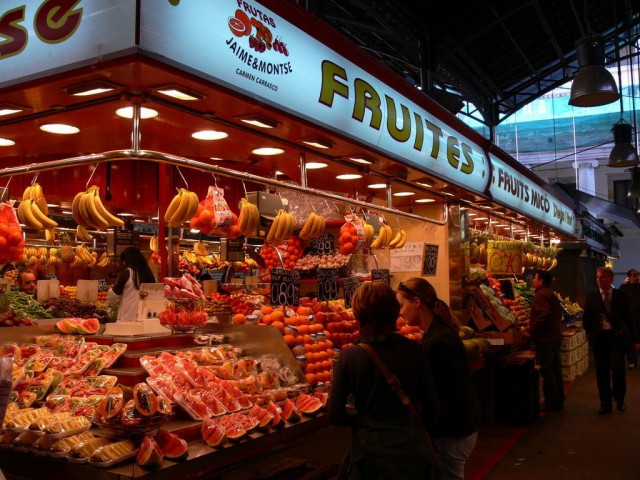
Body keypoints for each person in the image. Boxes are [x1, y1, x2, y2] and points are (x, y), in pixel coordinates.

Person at [328, 281, 438, 480]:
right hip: (410, 451)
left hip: (370, 455)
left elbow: (335, 414)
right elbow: (431, 404)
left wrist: (367, 420)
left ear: (358, 315)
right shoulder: (414, 350)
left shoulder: (349, 357)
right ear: (395, 312)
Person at [396, 277, 481, 480]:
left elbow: (447, 392)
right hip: (458, 427)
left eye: (402, 305)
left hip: (454, 430)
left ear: (417, 302)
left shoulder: (439, 341)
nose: (400, 312)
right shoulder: (437, 334)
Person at [583, 267, 633, 414]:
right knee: (602, 372)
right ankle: (605, 403)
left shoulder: (620, 296)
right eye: (598, 277)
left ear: (610, 279)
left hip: (616, 337)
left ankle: (620, 399)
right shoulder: (591, 296)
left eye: (603, 277)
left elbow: (629, 319)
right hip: (599, 339)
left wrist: (635, 339)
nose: (599, 280)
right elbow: (587, 318)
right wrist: (590, 333)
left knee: (618, 370)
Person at [527, 270, 564, 412]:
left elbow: (545, 314)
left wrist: (532, 329)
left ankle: (553, 403)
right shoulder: (550, 293)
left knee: (548, 372)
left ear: (541, 281)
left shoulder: (541, 295)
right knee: (555, 371)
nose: (533, 281)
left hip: (546, 339)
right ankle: (559, 400)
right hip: (554, 337)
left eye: (535, 278)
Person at [107, 247, 156, 323]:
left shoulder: (126, 273)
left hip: (127, 320)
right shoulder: (150, 275)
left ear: (124, 261)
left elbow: (112, 299)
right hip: (146, 320)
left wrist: (110, 290)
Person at [618, 268, 640, 367]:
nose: (637, 277)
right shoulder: (623, 288)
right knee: (630, 339)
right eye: (634, 275)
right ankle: (632, 361)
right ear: (629, 277)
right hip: (629, 318)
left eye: (638, 275)